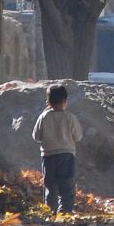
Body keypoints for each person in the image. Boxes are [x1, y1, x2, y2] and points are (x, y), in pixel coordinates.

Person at [33, 83, 84, 215]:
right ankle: (65, 213)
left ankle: (50, 213)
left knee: (50, 186)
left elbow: (36, 137)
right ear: (65, 101)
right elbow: (78, 136)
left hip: (48, 156)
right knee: (67, 187)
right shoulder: (70, 117)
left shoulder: (43, 117)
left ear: (48, 102)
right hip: (66, 156)